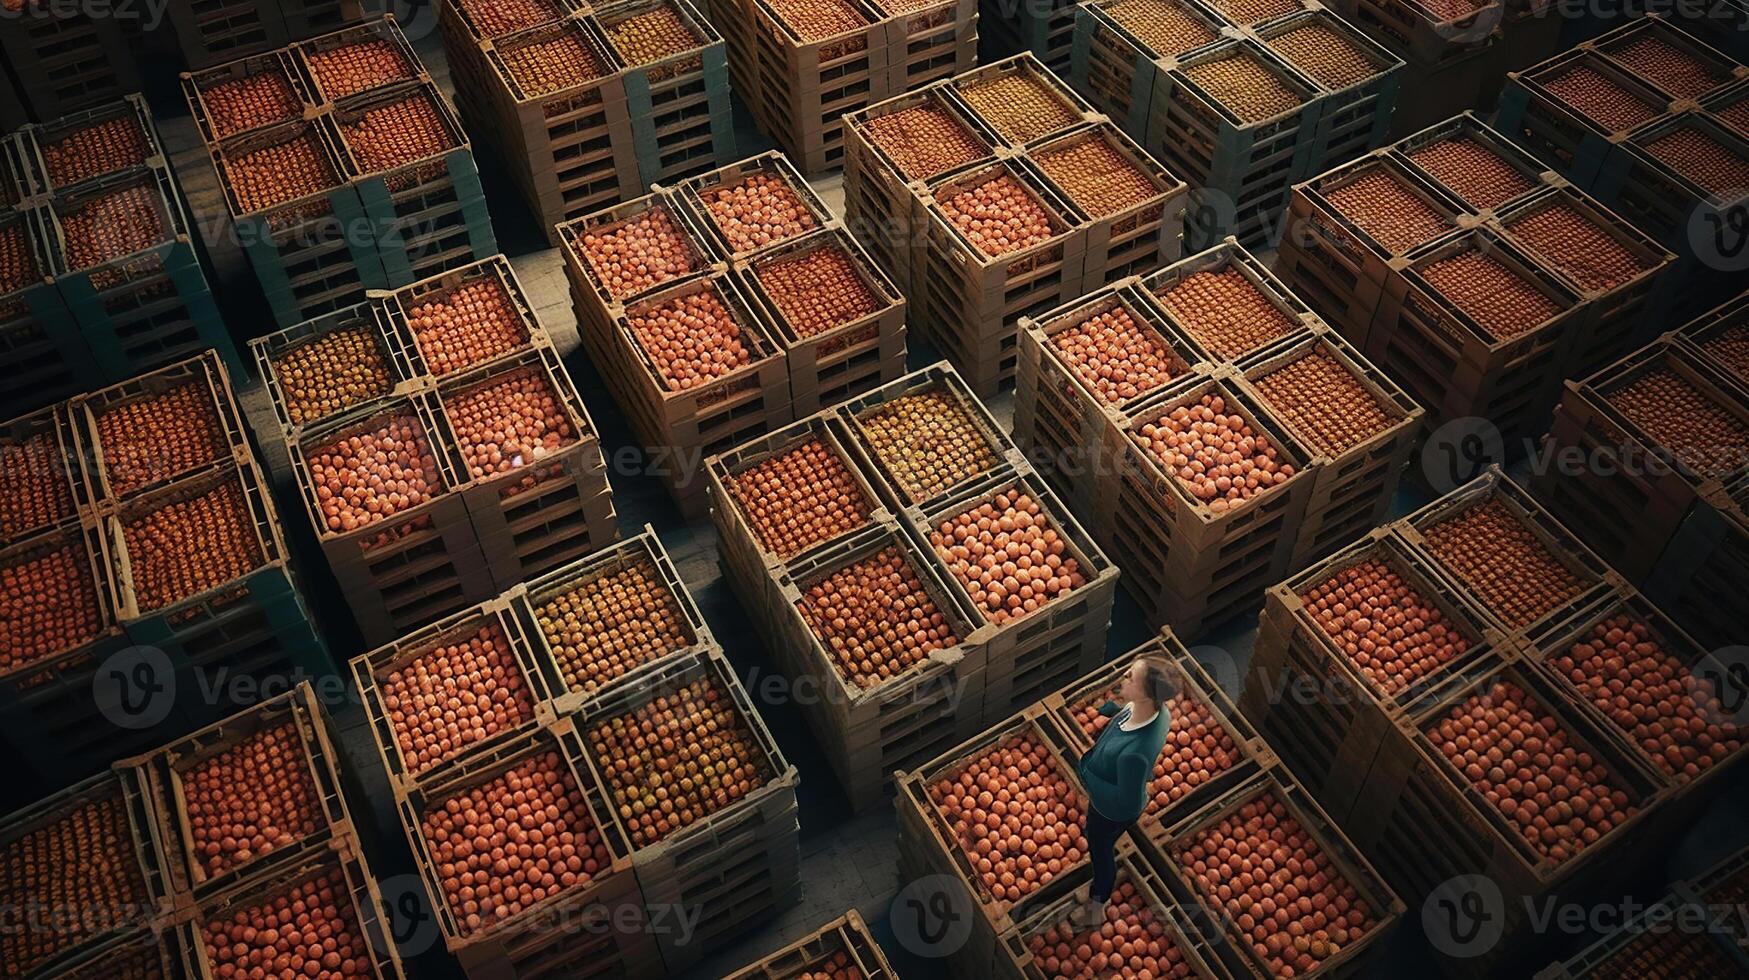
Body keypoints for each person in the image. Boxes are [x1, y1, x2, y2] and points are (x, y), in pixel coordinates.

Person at [1075, 657, 1177, 926]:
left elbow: (1126, 801)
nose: (1124, 676)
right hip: (1116, 786)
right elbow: (1125, 711)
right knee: (1100, 842)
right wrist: (1106, 710)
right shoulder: (1155, 711)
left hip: (1111, 811)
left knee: (1100, 848)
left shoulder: (1135, 754)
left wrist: (1088, 778)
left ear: (1146, 694)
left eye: (1131, 677)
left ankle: (1097, 905)